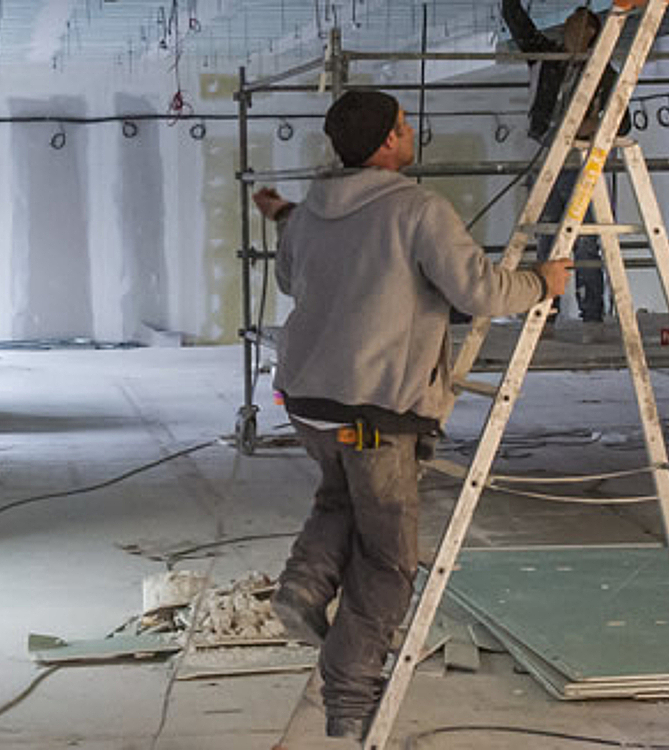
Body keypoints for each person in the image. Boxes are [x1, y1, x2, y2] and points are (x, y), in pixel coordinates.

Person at [253, 90, 571, 742]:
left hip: (310, 407)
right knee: (388, 562)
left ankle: (302, 589)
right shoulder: (418, 210)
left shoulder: (312, 210)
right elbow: (479, 291)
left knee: (338, 502)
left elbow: (292, 278)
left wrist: (288, 217)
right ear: (387, 144)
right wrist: (543, 282)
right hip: (377, 412)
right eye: (403, 125)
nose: (410, 131)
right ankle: (348, 701)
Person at [502, 0, 629, 323]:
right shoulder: (547, 57)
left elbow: (623, 122)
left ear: (590, 31)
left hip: (578, 164)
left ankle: (592, 316)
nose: (567, 29)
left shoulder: (602, 71)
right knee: (546, 238)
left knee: (585, 242)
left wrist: (595, 125)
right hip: (546, 159)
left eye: (575, 24)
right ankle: (546, 311)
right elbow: (518, 24)